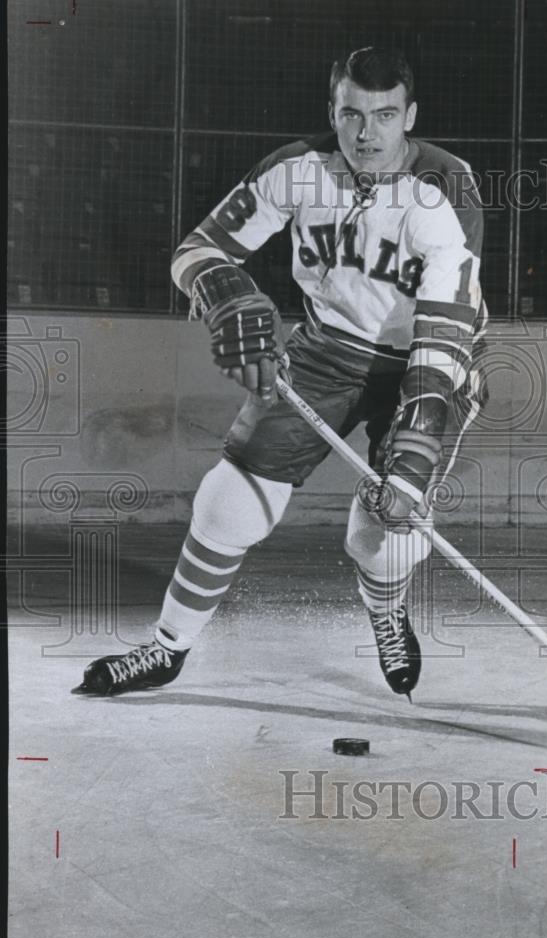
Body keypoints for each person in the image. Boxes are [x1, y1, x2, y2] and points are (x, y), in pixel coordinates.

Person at [72, 47, 488, 701]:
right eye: (351, 114)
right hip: (328, 350)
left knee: (385, 542)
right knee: (226, 502)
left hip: (425, 358)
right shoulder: (298, 169)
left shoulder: (445, 187)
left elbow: (443, 337)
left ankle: (385, 612)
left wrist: (413, 454)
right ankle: (167, 647)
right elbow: (198, 250)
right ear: (334, 111)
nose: (365, 133)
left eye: (384, 116)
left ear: (410, 116)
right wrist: (225, 294)